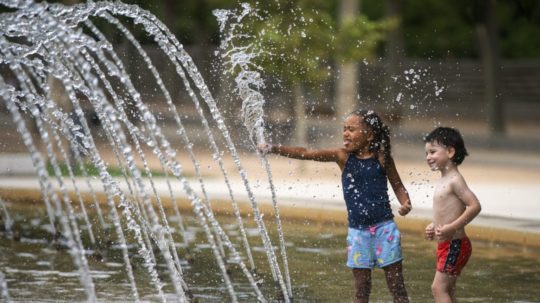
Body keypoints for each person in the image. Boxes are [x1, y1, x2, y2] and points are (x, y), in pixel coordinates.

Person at [259, 109, 412, 303]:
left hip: (385, 229)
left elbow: (397, 185)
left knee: (397, 287)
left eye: (351, 129)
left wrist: (405, 202)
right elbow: (306, 153)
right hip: (358, 233)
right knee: (361, 289)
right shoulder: (342, 156)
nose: (345, 133)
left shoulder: (382, 158)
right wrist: (273, 147)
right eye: (344, 129)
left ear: (369, 134)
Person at [423, 127, 481, 303]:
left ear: (450, 151)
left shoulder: (455, 180)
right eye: (426, 153)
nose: (428, 157)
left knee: (438, 288)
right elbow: (447, 211)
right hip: (448, 245)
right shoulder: (444, 179)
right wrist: (435, 225)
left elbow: (475, 206)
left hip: (455, 245)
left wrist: (451, 227)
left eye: (432, 152)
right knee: (447, 289)